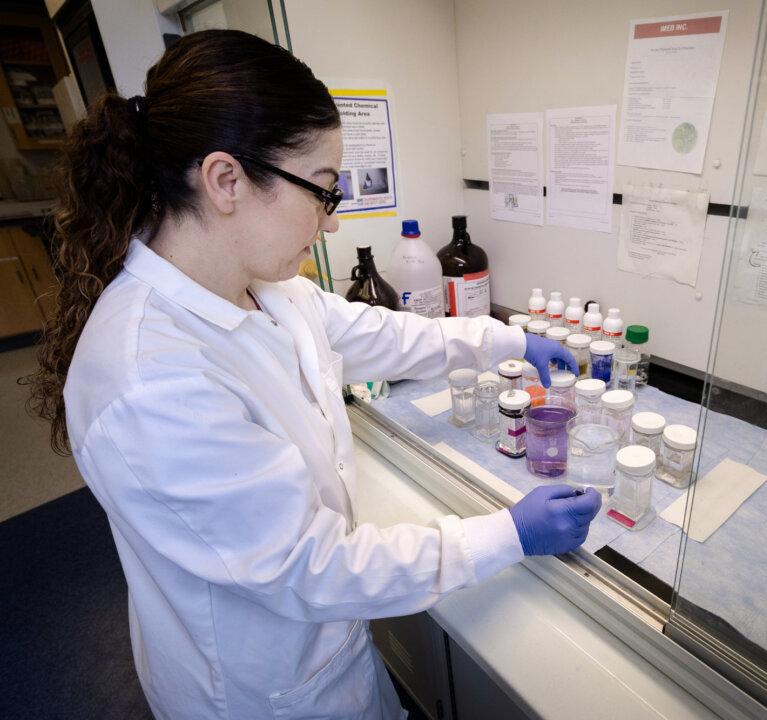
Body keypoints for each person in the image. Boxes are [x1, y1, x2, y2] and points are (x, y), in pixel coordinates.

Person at [27, 30, 601, 720]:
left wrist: (508, 338)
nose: (329, 225)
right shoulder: (149, 381)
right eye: (323, 191)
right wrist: (507, 536)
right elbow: (312, 567)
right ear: (226, 180)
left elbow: (381, 334)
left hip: (324, 650)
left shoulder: (261, 287)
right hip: (255, 688)